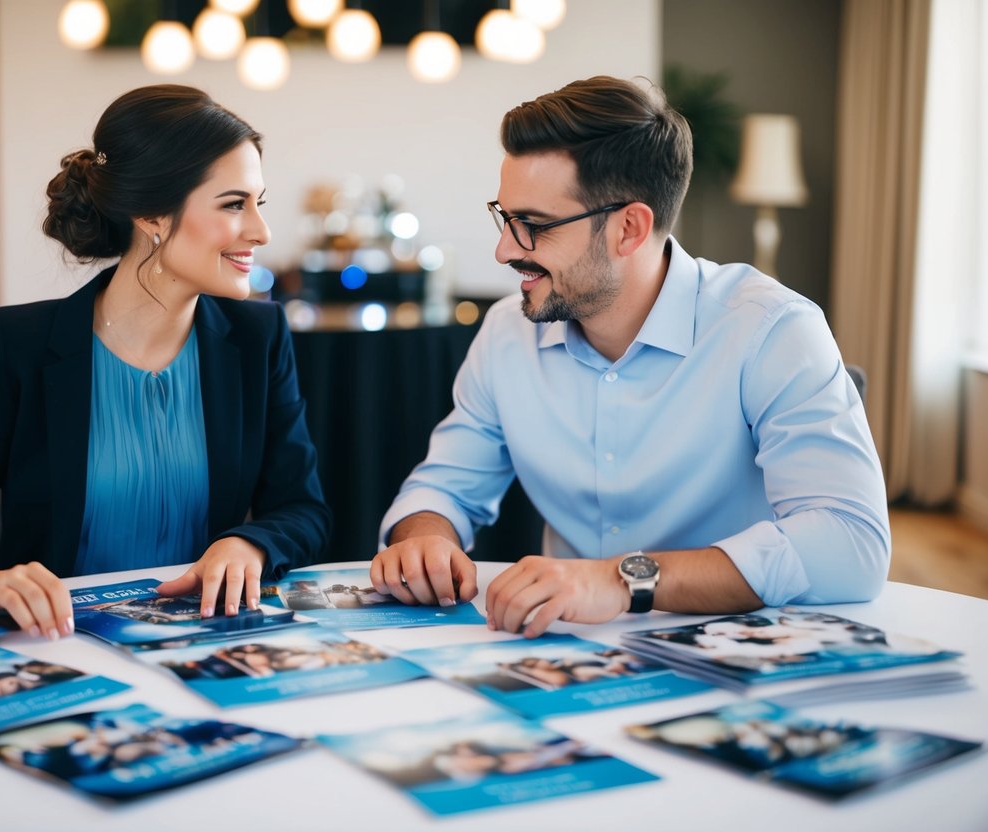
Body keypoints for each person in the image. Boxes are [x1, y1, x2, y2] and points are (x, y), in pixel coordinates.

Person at [371, 76, 889, 637]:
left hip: (739, 655)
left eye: (533, 227)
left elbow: (850, 544)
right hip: (559, 656)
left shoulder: (772, 331)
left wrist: (622, 581)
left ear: (629, 228)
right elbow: (442, 488)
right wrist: (425, 537)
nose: (504, 250)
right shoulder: (505, 334)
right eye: (505, 217)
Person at [0, 85, 330, 640]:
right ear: (152, 215)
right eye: (234, 204)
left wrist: (249, 542)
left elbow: (303, 510)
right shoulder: (17, 343)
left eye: (260, 203)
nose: (261, 231)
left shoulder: (259, 337)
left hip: (208, 642)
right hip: (60, 648)